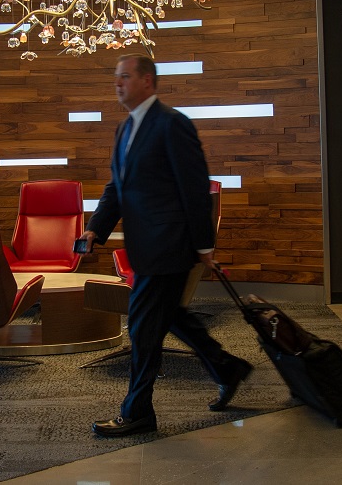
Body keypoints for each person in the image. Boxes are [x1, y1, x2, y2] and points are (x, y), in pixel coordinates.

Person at [78, 54, 252, 437]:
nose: (117, 84)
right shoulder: (125, 129)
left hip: (169, 246)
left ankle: (137, 412)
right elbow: (116, 188)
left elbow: (195, 188)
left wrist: (204, 245)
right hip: (147, 247)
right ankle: (227, 368)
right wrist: (95, 229)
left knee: (141, 330)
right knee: (173, 317)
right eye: (115, 78)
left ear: (148, 82)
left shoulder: (173, 125)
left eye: (125, 77)